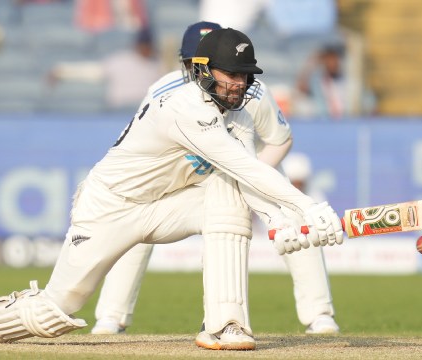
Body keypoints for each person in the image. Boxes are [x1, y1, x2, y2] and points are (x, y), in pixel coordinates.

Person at [0, 28, 344, 351]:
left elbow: (244, 174)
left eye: (244, 75)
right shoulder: (183, 107)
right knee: (61, 305)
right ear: (202, 70)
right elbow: (242, 165)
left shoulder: (235, 109)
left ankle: (226, 324)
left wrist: (280, 216)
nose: (239, 84)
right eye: (231, 74)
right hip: (110, 208)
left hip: (168, 205)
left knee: (227, 198)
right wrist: (305, 205)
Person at [90, 21, 340, 337]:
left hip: (250, 168)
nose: (199, 79)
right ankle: (111, 318)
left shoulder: (252, 92)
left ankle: (319, 316)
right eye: (190, 67)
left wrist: (250, 179)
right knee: (137, 220)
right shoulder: (163, 92)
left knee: (293, 215)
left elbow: (280, 139)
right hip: (183, 175)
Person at [47, 27, 163, 110]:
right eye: (143, 45)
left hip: (145, 112)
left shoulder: (158, 64)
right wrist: (61, 71)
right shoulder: (120, 60)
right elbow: (91, 72)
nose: (145, 49)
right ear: (136, 45)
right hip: (117, 112)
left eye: (148, 45)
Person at [294, 41, 376, 119]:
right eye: (328, 59)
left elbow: (370, 103)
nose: (332, 63)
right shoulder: (317, 84)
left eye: (334, 59)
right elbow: (300, 87)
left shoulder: (350, 83)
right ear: (323, 61)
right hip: (324, 125)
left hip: (348, 124)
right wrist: (312, 63)